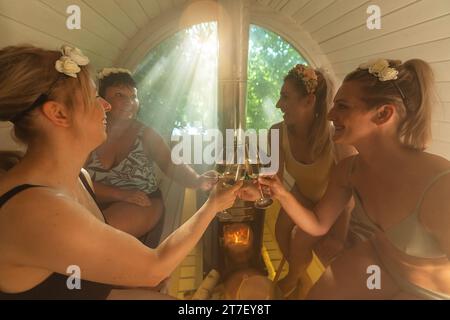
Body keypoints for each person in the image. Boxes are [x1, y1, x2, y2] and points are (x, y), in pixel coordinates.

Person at [0, 45, 241, 299]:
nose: (104, 105)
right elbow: (155, 268)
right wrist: (213, 205)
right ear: (58, 113)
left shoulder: (81, 178)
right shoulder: (35, 210)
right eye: (94, 97)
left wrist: (129, 283)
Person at [256, 59, 450, 299]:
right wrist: (282, 192)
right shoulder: (348, 170)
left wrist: (338, 238)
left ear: (382, 114)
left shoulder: (440, 186)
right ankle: (297, 276)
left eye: (343, 106)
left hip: (432, 290)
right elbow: (317, 223)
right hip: (382, 259)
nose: (329, 114)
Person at [241, 64, 355, 298]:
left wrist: (339, 236)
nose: (277, 104)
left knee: (302, 239)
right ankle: (302, 277)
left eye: (285, 96)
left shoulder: (338, 140)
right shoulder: (276, 133)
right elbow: (275, 181)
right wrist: (254, 192)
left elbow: (348, 198)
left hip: (330, 205)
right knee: (280, 230)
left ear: (309, 101)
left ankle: (294, 280)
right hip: (303, 194)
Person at [85, 68, 215, 243]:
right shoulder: (89, 133)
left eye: (133, 97)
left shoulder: (146, 135)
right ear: (102, 100)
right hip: (94, 202)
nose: (129, 102)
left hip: (141, 204)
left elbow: (172, 165)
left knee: (97, 232)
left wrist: (198, 180)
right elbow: (75, 179)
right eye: (119, 95)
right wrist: (120, 194)